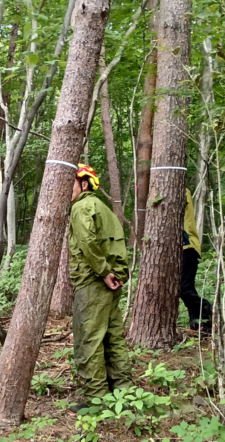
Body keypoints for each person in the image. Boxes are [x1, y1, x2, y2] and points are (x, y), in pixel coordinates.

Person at [68, 164, 134, 415]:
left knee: (89, 340)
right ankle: (124, 393)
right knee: (113, 337)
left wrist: (104, 272)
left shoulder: (81, 207)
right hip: (110, 282)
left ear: (84, 184)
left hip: (94, 282)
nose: (67, 190)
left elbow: (87, 241)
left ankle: (97, 400)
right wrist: (111, 273)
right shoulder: (103, 208)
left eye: (71, 184)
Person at [182, 188, 213, 333]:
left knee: (185, 288)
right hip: (180, 247)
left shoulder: (181, 189)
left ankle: (204, 316)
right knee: (182, 288)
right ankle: (197, 322)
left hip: (187, 247)